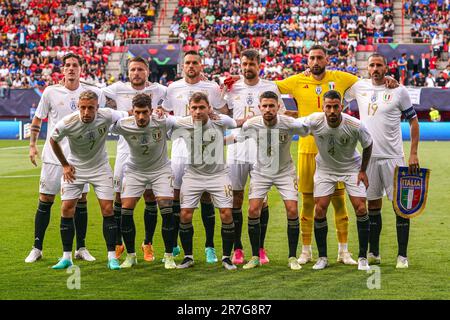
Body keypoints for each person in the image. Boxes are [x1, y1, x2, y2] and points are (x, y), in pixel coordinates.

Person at [275, 45, 359, 265]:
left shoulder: (340, 78)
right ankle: (306, 250)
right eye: (312, 58)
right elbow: (267, 88)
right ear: (307, 60)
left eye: (319, 57)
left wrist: (389, 80)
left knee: (339, 201)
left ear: (326, 59)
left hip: (334, 152)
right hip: (307, 150)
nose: (315, 61)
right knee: (308, 202)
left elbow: (366, 85)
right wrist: (285, 112)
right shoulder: (296, 81)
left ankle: (344, 251)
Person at [25, 53, 105, 263]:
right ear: (63, 69)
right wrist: (32, 145)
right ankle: (37, 247)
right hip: (53, 158)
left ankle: (81, 247)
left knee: (81, 202)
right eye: (67, 65)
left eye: (74, 65)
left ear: (81, 69)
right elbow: (38, 118)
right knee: (46, 200)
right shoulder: (51, 92)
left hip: (79, 160)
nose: (71, 68)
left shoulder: (91, 93)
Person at [344, 53, 420, 268]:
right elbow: (338, 92)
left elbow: (414, 122)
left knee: (401, 207)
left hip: (393, 158)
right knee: (372, 205)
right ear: (367, 68)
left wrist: (413, 153)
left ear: (386, 67)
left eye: (379, 65)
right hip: (369, 158)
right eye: (372, 65)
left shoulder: (398, 90)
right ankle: (374, 252)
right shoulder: (359, 87)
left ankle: (402, 256)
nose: (375, 68)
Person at [49, 90, 128, 270]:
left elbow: (127, 114)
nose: (86, 112)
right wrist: (65, 164)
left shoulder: (107, 115)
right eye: (82, 108)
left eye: (90, 108)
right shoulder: (68, 122)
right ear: (78, 107)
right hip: (75, 169)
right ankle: (66, 256)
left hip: (100, 168)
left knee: (107, 209)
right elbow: (53, 140)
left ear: (97, 108)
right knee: (67, 208)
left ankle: (111, 257)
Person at [222, 49, 287, 265]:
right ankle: (238, 248)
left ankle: (259, 248)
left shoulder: (270, 87)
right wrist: (222, 89)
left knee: (262, 201)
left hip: (262, 150)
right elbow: (222, 113)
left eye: (252, 64)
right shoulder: (232, 87)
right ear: (240, 65)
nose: (247, 67)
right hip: (237, 150)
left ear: (259, 65)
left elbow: (282, 114)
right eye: (244, 64)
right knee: (236, 199)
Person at [162, 51, 227, 263]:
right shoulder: (173, 88)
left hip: (206, 149)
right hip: (180, 148)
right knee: (177, 198)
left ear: (201, 66)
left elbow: (222, 112)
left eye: (195, 63)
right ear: (183, 66)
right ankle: (176, 247)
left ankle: (209, 246)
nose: (191, 66)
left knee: (207, 195)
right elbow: (163, 111)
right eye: (188, 63)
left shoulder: (212, 88)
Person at [102, 56, 167, 262]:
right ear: (127, 72)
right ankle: (121, 242)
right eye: (132, 70)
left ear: (147, 71)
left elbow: (179, 97)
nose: (136, 73)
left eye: (140, 69)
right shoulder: (117, 88)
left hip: (151, 150)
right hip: (125, 150)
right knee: (120, 198)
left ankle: (147, 243)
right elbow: (95, 94)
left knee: (150, 197)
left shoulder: (160, 90)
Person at [303, 90, 373, 271]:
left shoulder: (355, 124)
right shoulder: (315, 120)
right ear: (323, 107)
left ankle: (363, 257)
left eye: (336, 106)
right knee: (320, 208)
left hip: (351, 167)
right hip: (325, 168)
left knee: (360, 207)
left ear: (342, 107)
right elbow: (295, 126)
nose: (332, 111)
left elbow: (368, 144)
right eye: (328, 107)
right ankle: (323, 257)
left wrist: (363, 170)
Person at [174, 92, 244, 270]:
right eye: (194, 108)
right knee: (185, 215)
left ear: (209, 108)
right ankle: (188, 256)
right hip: (193, 175)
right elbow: (162, 122)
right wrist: (157, 113)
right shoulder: (182, 123)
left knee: (227, 214)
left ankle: (226, 257)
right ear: (189, 109)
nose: (198, 111)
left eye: (201, 107)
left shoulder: (221, 121)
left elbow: (240, 123)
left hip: (218, 175)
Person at [240, 91, 308, 271]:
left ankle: (292, 257)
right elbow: (239, 133)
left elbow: (306, 130)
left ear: (279, 107)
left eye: (272, 106)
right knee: (253, 209)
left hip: (285, 171)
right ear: (259, 108)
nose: (268, 109)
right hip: (262, 172)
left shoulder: (288, 123)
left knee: (292, 210)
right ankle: (255, 256)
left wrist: (299, 116)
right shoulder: (251, 124)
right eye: (265, 106)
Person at [110, 94, 176, 269]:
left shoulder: (163, 122)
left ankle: (169, 256)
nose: (140, 117)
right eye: (137, 112)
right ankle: (131, 255)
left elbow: (185, 121)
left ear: (151, 111)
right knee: (126, 209)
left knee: (166, 208)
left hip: (161, 170)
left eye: (144, 112)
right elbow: (102, 122)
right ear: (132, 112)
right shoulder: (124, 124)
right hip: (135, 170)